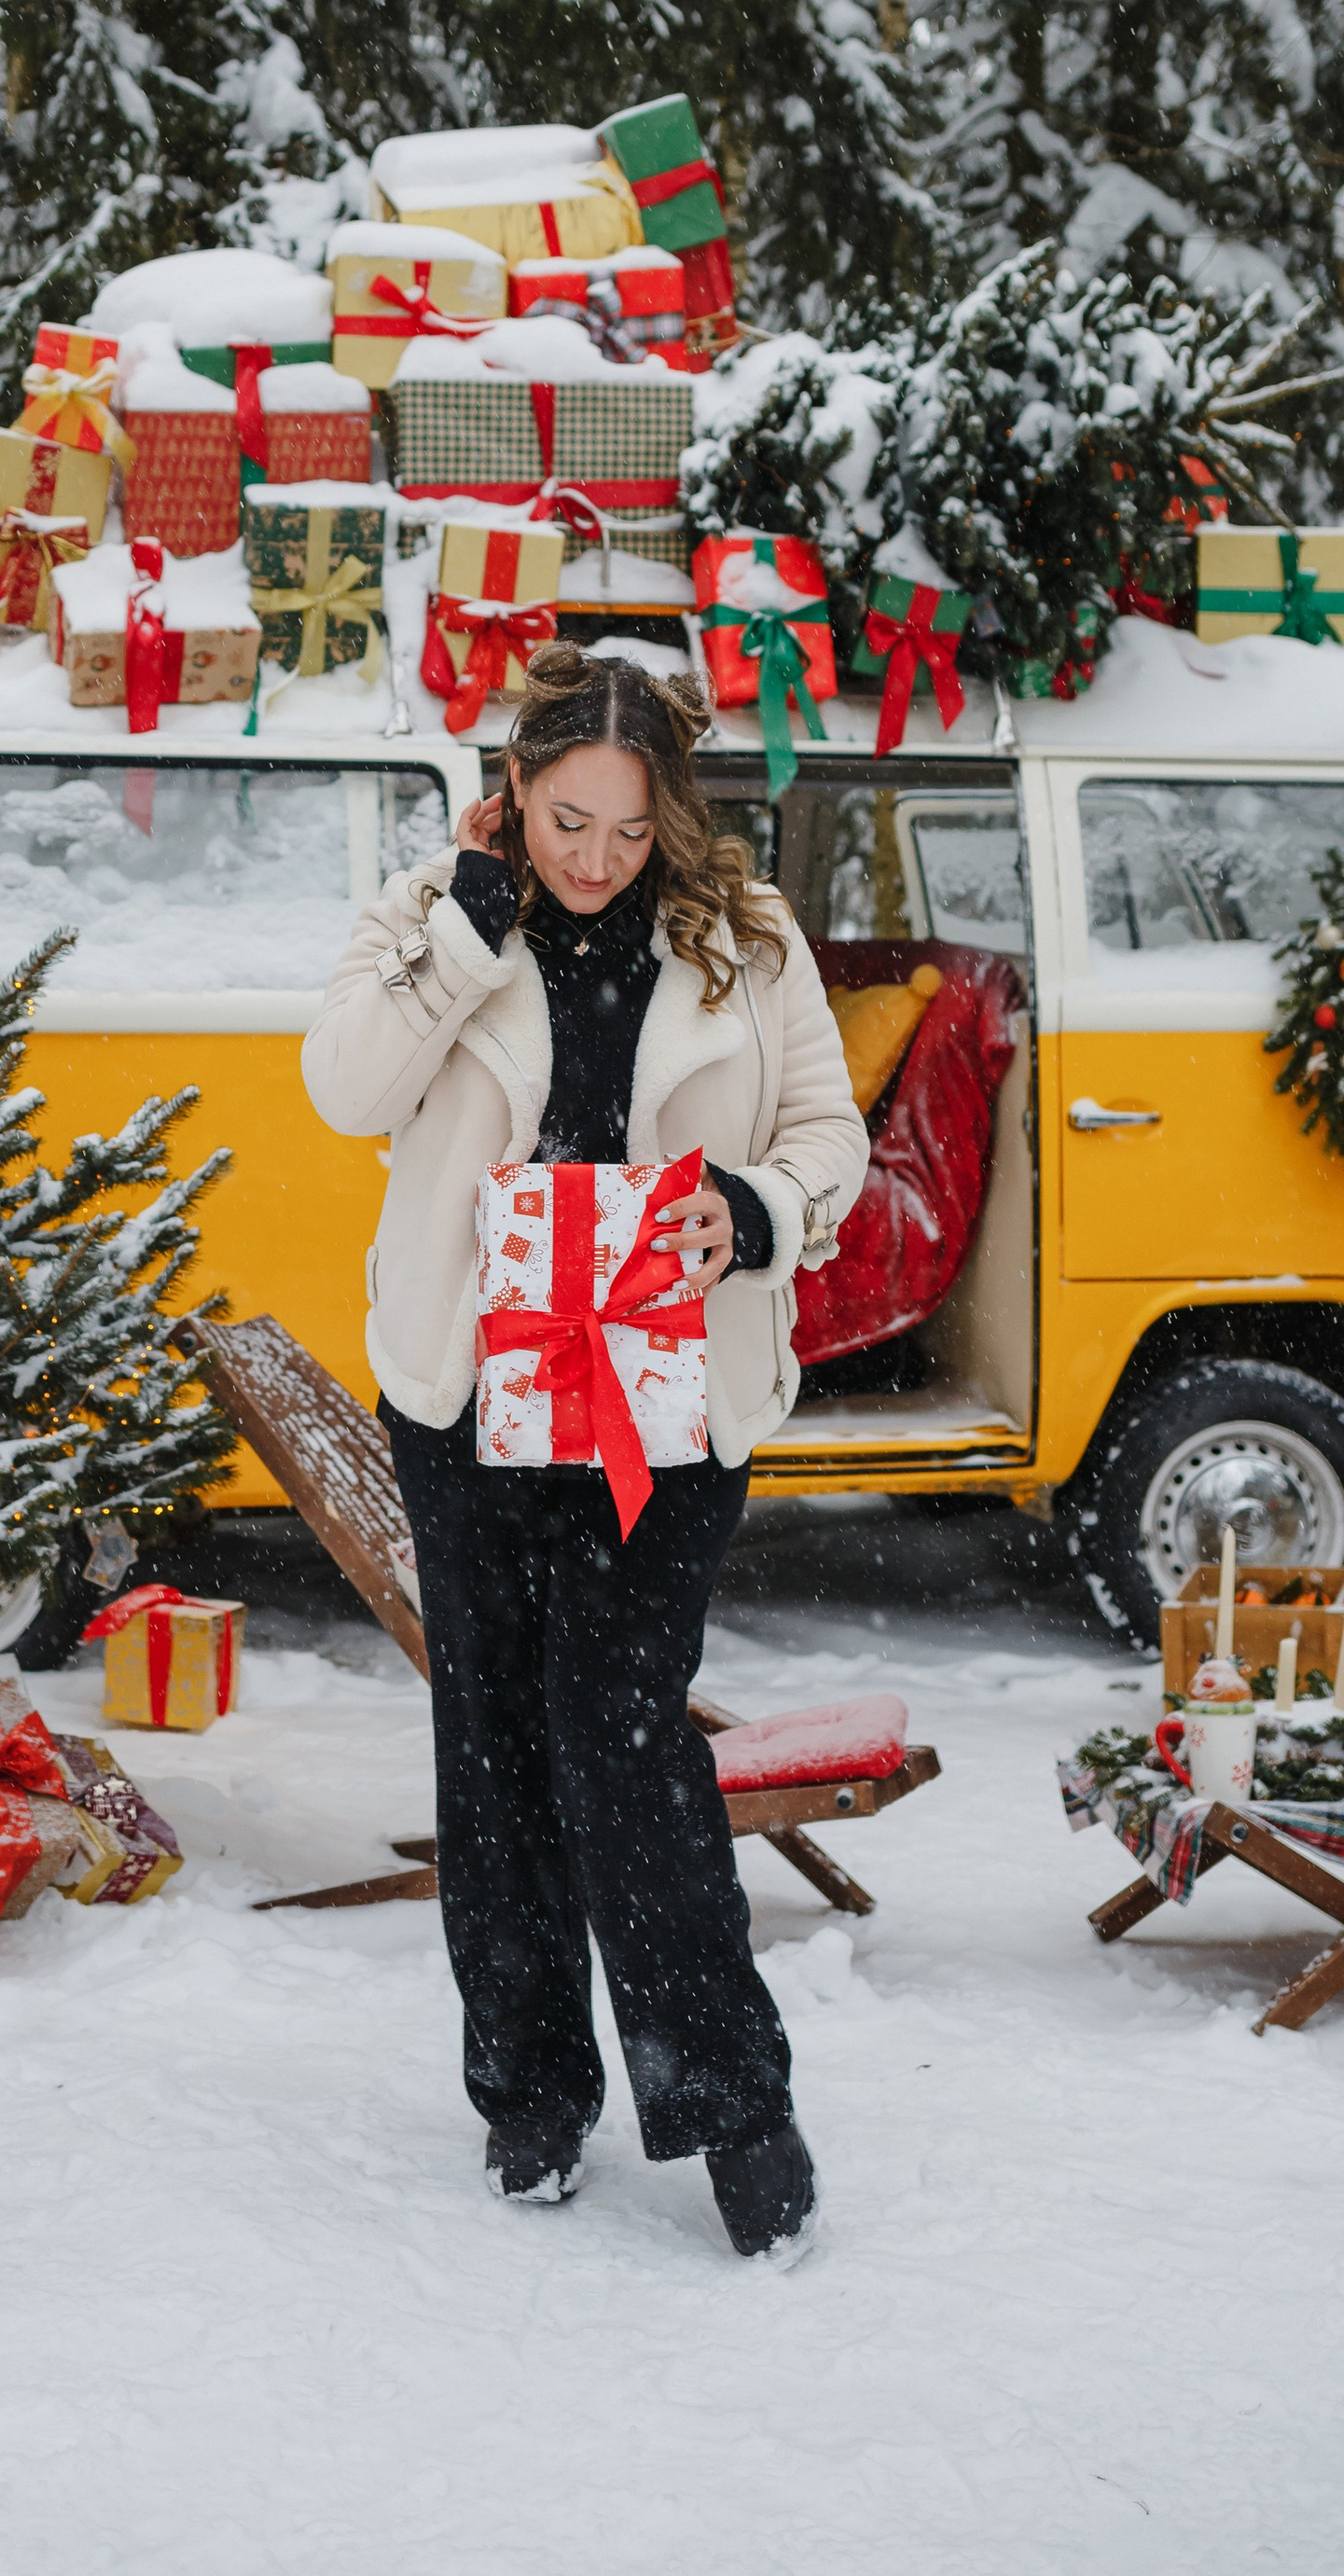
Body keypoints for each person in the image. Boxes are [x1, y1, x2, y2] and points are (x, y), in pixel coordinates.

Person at [302, 645, 870, 2255]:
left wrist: (751, 1210)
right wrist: (476, 926)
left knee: (623, 1735)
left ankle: (738, 2108)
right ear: (516, 791)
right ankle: (533, 2097)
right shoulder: (438, 909)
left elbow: (831, 1136)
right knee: (494, 1749)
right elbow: (344, 1090)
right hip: (476, 1394)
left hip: (670, 1404)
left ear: (670, 811)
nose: (596, 860)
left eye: (626, 829)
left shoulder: (749, 942)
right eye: (565, 822)